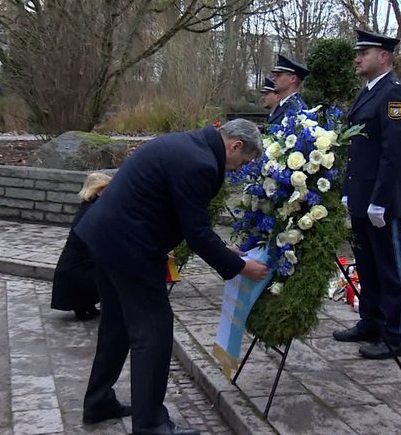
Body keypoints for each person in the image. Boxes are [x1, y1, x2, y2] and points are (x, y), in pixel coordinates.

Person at [75, 119, 268, 435]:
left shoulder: (188, 144)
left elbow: (163, 206)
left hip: (106, 237)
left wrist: (221, 250)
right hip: (128, 248)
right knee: (154, 333)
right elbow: (197, 233)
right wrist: (241, 267)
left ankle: (98, 402)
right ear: (235, 145)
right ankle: (150, 424)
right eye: (242, 162)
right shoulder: (202, 164)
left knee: (117, 327)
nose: (237, 170)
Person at [334, 29, 401, 360]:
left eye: (364, 53)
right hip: (360, 198)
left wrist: (380, 200)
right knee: (366, 264)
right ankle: (371, 321)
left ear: (384, 57)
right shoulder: (367, 93)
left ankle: (398, 335)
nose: (357, 58)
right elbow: (357, 150)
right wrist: (348, 192)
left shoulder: (395, 95)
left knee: (390, 268)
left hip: (380, 202)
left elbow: (392, 154)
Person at [51, 172, 111, 320]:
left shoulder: (90, 205)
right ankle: (81, 308)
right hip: (81, 251)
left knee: (89, 279)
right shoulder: (91, 207)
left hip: (84, 251)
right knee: (81, 280)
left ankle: (88, 305)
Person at [268, 54, 308, 124]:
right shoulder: (280, 105)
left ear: (292, 79)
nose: (274, 79)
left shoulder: (298, 109)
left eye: (279, 75)